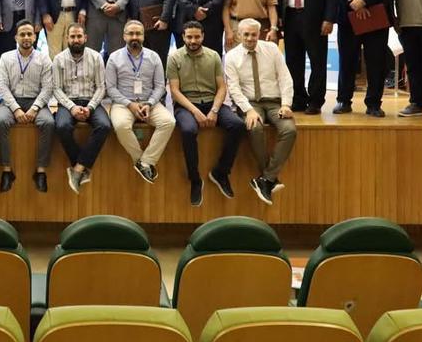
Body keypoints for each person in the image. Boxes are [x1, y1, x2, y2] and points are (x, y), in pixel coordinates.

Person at [168, 21, 245, 205]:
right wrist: (195, 111)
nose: (193, 41)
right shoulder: (174, 58)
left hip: (212, 102)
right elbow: (175, 92)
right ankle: (195, 179)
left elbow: (222, 87)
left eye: (197, 37)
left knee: (237, 125)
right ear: (183, 37)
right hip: (186, 105)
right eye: (189, 37)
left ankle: (221, 172)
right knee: (188, 130)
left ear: (203, 36)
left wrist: (214, 110)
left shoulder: (214, 56)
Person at [225, 18, 296, 205]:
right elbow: (234, 89)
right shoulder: (231, 56)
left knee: (289, 130)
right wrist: (248, 110)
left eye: (254, 34)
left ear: (260, 34)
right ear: (239, 35)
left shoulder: (272, 49)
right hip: (250, 103)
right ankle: (269, 178)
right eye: (246, 34)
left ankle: (265, 178)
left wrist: (286, 104)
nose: (250, 38)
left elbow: (285, 77)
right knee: (255, 128)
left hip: (275, 102)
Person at [275, 0, 337, 114]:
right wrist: (278, 16)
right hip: (291, 17)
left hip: (315, 19)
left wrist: (329, 19)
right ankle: (298, 98)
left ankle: (315, 101)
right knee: (293, 61)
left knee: (318, 61)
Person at [106, 20, 176, 183]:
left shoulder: (154, 57)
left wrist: (149, 103)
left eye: (138, 33)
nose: (134, 37)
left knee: (169, 122)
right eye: (131, 33)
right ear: (124, 36)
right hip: (123, 103)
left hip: (149, 103)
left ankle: (146, 161)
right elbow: (110, 88)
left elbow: (160, 86)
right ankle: (140, 160)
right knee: (121, 125)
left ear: (144, 36)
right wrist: (130, 104)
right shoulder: (114, 58)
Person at [0, 20, 55, 193]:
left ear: (35, 37)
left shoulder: (44, 58)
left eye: (29, 34)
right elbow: (2, 87)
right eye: (22, 34)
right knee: (0, 121)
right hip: (11, 102)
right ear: (16, 37)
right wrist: (16, 109)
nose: (26, 37)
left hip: (36, 102)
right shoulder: (6, 58)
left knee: (49, 123)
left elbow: (48, 88)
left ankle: (40, 171)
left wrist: (35, 108)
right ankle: (7, 170)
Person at [52, 23, 110, 193]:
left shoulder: (96, 57)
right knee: (62, 126)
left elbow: (101, 87)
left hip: (91, 101)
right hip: (68, 102)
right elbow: (56, 88)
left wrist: (90, 107)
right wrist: (72, 108)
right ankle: (82, 166)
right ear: (67, 38)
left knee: (104, 125)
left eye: (79, 36)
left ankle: (77, 169)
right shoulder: (59, 59)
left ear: (85, 38)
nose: (76, 40)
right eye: (72, 37)